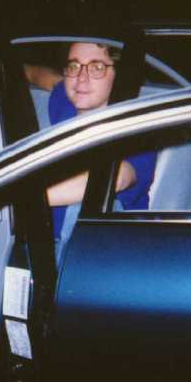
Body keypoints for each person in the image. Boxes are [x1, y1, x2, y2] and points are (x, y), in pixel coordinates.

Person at [36, 42, 157, 260]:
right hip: (39, 239)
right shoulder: (66, 104)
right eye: (74, 66)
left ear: (120, 76)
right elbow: (44, 77)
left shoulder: (137, 131)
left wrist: (18, 200)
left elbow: (117, 177)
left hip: (100, 255)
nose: (81, 78)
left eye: (97, 67)